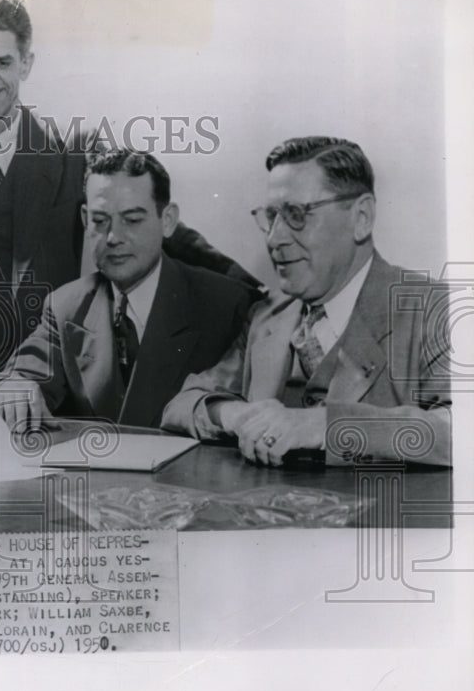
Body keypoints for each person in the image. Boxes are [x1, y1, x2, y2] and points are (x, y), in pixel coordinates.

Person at [0, 0, 260, 374]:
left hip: (39, 385)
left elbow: (149, 221)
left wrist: (254, 292)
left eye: (3, 63)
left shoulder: (75, 152)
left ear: (27, 64)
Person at [161, 136, 451, 466]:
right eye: (271, 217)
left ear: (361, 218)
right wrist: (237, 416)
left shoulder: (432, 309)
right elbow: (181, 404)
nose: (275, 238)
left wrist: (324, 425)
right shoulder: (267, 316)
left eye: (297, 214)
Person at [0, 149, 252, 431]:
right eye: (100, 220)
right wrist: (16, 385)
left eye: (132, 220)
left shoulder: (227, 305)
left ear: (167, 221)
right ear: (84, 219)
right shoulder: (65, 305)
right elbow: (23, 373)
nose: (114, 237)